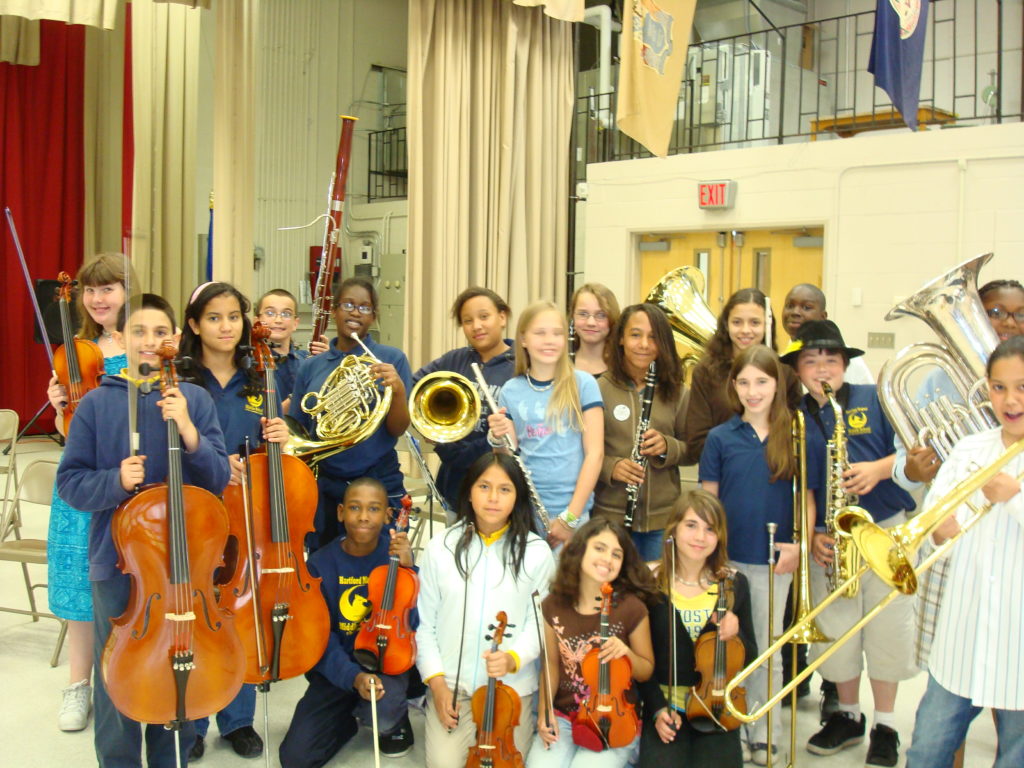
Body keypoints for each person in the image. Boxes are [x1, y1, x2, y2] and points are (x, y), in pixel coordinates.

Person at [56, 293, 231, 768]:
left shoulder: (194, 399)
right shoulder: (96, 403)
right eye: (138, 332)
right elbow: (70, 484)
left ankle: (171, 757)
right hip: (117, 562)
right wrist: (115, 480)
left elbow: (217, 478)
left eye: (159, 332)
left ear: (173, 338)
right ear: (120, 338)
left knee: (179, 665)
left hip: (183, 564)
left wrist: (189, 432)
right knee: (117, 671)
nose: (149, 341)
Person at [781, 320, 917, 767]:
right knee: (838, 630)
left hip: (884, 528)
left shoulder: (876, 398)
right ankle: (849, 715)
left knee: (886, 627)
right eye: (811, 361)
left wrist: (879, 469)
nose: (822, 369)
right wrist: (813, 535)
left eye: (831, 360)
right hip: (833, 538)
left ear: (845, 364)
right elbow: (803, 487)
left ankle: (887, 725)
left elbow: (916, 454)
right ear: (798, 370)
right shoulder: (796, 416)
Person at [179, 281, 291, 760]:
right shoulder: (181, 379)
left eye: (232, 317)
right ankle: (192, 718)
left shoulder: (260, 374)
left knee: (242, 610)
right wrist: (214, 461)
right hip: (198, 509)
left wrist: (282, 436)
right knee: (197, 613)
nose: (226, 327)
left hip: (247, 513)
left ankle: (238, 719)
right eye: (213, 318)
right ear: (194, 325)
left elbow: (270, 451)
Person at [905, 335, 1024, 768]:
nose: (1010, 400)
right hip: (961, 639)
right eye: (999, 387)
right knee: (925, 752)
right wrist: (937, 531)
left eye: (1022, 388)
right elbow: (932, 523)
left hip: (1019, 646)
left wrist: (1014, 498)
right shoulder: (970, 448)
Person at [699, 344, 818, 765]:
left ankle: (766, 731)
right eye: (744, 382)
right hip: (728, 562)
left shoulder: (798, 434)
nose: (753, 391)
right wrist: (711, 558)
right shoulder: (720, 438)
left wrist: (799, 546)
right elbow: (709, 503)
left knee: (767, 650)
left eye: (762, 382)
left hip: (774, 562)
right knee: (730, 647)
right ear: (734, 386)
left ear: (777, 384)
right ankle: (735, 726)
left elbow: (806, 500)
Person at [416, 453, 556, 768]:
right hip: (454, 687)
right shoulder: (441, 547)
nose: (493, 498)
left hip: (510, 691)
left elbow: (540, 624)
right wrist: (437, 684)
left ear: (517, 497)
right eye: (484, 487)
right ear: (469, 492)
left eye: (504, 489)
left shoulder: (536, 553)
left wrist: (513, 658)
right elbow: (424, 625)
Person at [44, 253, 134, 731]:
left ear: (127, 290)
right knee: (81, 586)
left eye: (108, 288)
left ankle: (126, 679)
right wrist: (60, 405)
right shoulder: (74, 353)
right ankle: (78, 685)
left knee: (129, 584)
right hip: (82, 481)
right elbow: (67, 430)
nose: (98, 299)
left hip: (129, 480)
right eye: (91, 290)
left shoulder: (144, 344)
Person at [278, 477, 416, 767]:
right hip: (339, 670)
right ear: (341, 512)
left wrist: (410, 570)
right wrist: (353, 677)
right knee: (295, 759)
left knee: (383, 713)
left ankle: (394, 716)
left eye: (374, 509)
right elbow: (319, 638)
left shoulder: (396, 559)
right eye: (355, 507)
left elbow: (415, 624)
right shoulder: (319, 564)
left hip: (384, 663)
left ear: (388, 515)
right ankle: (346, 720)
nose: (363, 516)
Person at [290, 277, 412, 549]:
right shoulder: (311, 366)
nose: (356, 312)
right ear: (334, 311)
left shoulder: (392, 359)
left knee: (381, 560)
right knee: (324, 562)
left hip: (378, 477)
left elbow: (398, 429)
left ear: (373, 317)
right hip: (326, 483)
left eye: (364, 308)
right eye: (348, 305)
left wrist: (398, 391)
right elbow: (298, 427)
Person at [637, 489, 757, 768]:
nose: (700, 537)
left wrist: (737, 634)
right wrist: (656, 710)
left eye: (710, 529)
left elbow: (751, 657)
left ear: (720, 537)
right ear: (674, 529)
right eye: (691, 525)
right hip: (667, 708)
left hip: (717, 709)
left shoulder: (734, 584)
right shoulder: (649, 581)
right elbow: (641, 662)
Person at [526, 517, 656, 768]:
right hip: (565, 716)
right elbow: (550, 666)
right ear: (580, 550)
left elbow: (646, 670)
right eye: (599, 548)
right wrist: (544, 712)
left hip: (613, 720)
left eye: (616, 554)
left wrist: (627, 654)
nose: (607, 558)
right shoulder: (553, 605)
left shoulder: (632, 608)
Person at [488, 301, 604, 547]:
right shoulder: (511, 390)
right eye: (540, 333)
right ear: (523, 339)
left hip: (573, 514)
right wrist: (497, 438)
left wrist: (570, 518)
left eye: (557, 333)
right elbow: (508, 458)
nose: (549, 341)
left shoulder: (584, 384)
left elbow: (595, 455)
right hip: (525, 511)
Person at [592, 303, 688, 561]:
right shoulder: (598, 388)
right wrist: (611, 467)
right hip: (610, 516)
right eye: (635, 335)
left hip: (662, 518)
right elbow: (582, 449)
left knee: (655, 584)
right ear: (621, 339)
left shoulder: (678, 391)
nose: (644, 344)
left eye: (653, 337)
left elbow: (692, 449)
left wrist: (668, 447)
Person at [412, 286, 515, 510]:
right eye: (468, 321)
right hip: (455, 485)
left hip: (500, 487)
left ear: (502, 317)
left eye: (484, 317)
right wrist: (431, 431)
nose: (476, 326)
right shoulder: (454, 360)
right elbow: (413, 389)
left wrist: (457, 451)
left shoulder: (521, 364)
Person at [683, 288, 801, 466]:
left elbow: (795, 433)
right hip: (721, 473)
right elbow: (696, 441)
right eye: (737, 322)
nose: (745, 330)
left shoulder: (786, 371)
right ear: (726, 324)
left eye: (755, 322)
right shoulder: (705, 372)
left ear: (767, 325)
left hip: (775, 471)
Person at [253, 288, 327, 415]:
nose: (278, 320)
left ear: (295, 323)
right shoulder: (249, 365)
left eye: (286, 314)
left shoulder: (307, 360)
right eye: (270, 313)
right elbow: (260, 417)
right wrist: (299, 392)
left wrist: (329, 363)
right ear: (256, 321)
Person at [781, 283, 873, 385]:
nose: (795, 312)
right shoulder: (781, 362)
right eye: (790, 306)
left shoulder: (847, 358)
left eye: (806, 307)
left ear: (823, 317)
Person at [569, 283, 620, 377]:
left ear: (612, 318)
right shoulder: (558, 363)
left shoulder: (622, 367)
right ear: (572, 316)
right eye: (583, 314)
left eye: (601, 315)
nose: (590, 323)